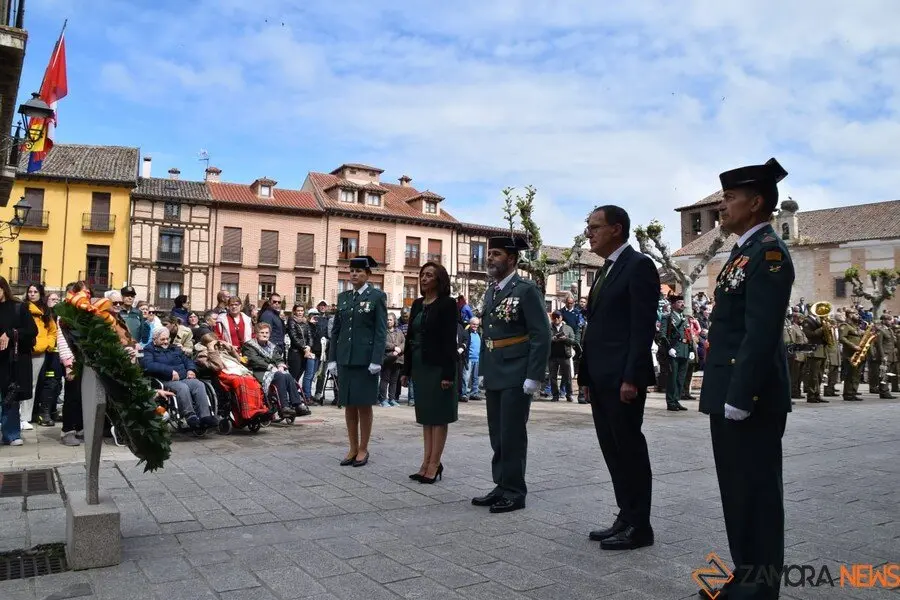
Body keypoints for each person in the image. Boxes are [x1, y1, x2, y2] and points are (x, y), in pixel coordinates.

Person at [699, 157, 794, 598]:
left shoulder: (769, 253)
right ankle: (745, 573)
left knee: (755, 492)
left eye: (731, 198)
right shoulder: (743, 250)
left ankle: (760, 587)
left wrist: (741, 393)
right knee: (736, 490)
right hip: (729, 389)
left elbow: (760, 331)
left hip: (748, 394)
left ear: (756, 203)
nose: (722, 205)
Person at [578, 205, 659, 551]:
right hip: (600, 378)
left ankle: (640, 526)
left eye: (595, 227)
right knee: (612, 450)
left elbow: (641, 328)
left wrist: (631, 377)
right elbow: (596, 328)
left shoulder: (638, 266)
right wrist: (585, 375)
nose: (589, 233)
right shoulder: (606, 270)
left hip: (622, 380)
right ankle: (625, 516)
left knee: (629, 450)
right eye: (588, 227)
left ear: (617, 229)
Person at [471, 236, 550, 514]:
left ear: (512, 259)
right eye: (489, 253)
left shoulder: (527, 289)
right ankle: (501, 484)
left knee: (512, 433)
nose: (489, 258)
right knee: (497, 433)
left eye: (496, 254)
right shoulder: (492, 290)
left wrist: (534, 375)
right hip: (495, 368)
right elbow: (488, 333)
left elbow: (541, 334)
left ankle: (515, 491)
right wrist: (483, 369)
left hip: (517, 371)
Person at [326, 256, 387, 467]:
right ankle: (352, 447)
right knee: (348, 404)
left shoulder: (377, 296)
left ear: (368, 275)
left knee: (363, 405)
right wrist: (331, 357)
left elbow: (380, 330)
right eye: (351, 271)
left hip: (365, 361)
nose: (354, 274)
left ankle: (363, 448)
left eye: (359, 271)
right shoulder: (343, 298)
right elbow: (336, 331)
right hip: (345, 358)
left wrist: (376, 359)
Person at [402, 262, 458, 483]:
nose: (424, 279)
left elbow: (449, 341)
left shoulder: (447, 304)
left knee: (439, 416)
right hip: (420, 365)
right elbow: (410, 339)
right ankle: (425, 462)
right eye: (422, 275)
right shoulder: (417, 304)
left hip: (439, 366)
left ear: (439, 280)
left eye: (429, 275)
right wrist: (406, 369)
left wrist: (447, 374)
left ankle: (435, 464)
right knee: (426, 417)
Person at [140, 327, 218, 429]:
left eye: (167, 339)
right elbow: (148, 365)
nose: (166, 342)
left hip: (183, 377)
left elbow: (188, 361)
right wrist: (169, 371)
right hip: (165, 380)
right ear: (154, 339)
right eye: (162, 339)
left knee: (199, 384)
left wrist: (191, 370)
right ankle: (190, 415)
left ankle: (205, 416)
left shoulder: (174, 348)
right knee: (182, 387)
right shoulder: (148, 350)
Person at [194, 333, 269, 427]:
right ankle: (248, 412)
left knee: (251, 380)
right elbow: (217, 367)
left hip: (235, 371)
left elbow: (240, 361)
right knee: (240, 381)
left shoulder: (222, 350)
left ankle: (258, 409)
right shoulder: (202, 355)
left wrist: (230, 349)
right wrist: (212, 350)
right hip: (221, 375)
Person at [0, 276, 38, 446]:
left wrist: (10, 333)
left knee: (10, 396)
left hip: (11, 361)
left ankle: (11, 433)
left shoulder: (18, 307)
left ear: (3, 289)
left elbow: (31, 331)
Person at [242, 322, 309, 418]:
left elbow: (278, 358)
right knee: (280, 375)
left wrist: (280, 365)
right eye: (262, 332)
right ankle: (284, 407)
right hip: (258, 371)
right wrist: (270, 367)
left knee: (287, 374)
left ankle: (297, 404)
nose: (265, 335)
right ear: (256, 334)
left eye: (267, 333)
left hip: (273, 371)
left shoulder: (271, 346)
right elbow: (254, 360)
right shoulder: (249, 345)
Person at [24, 283, 57, 429]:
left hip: (39, 351)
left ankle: (25, 417)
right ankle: (16, 416)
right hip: (24, 350)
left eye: (35, 291)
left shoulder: (46, 311)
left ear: (40, 293)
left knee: (32, 384)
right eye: (30, 291)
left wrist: (48, 344)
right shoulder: (22, 307)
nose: (32, 294)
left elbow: (52, 331)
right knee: (19, 383)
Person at [663, 296, 691, 411]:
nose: (682, 304)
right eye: (679, 302)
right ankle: (670, 402)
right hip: (674, 350)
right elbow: (663, 334)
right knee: (672, 378)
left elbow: (688, 335)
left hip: (684, 350)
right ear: (673, 304)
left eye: (683, 302)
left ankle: (676, 399)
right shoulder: (668, 317)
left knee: (681, 378)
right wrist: (669, 348)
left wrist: (691, 350)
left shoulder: (684, 318)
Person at [548, 311, 575, 402]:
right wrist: (553, 339)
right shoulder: (549, 328)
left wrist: (566, 339)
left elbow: (573, 341)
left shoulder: (568, 328)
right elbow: (545, 340)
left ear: (561, 318)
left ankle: (569, 394)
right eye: (554, 317)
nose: (556, 319)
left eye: (557, 317)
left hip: (565, 355)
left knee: (567, 376)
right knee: (553, 377)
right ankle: (555, 395)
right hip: (552, 356)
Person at [379, 313, 405, 407]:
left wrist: (399, 350)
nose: (389, 321)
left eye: (390, 320)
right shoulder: (383, 331)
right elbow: (382, 342)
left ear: (394, 321)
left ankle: (392, 399)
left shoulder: (399, 332)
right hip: (387, 359)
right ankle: (383, 399)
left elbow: (404, 342)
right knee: (385, 380)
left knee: (394, 381)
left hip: (397, 359)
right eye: (387, 319)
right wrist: (394, 347)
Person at [839, 312, 864, 401]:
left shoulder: (856, 326)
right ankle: (848, 394)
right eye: (856, 314)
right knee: (850, 374)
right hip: (850, 353)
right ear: (849, 315)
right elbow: (842, 338)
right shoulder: (845, 325)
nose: (858, 315)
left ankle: (853, 392)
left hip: (858, 354)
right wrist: (853, 346)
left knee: (856, 374)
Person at [460, 317, 481, 401]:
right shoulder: (466, 333)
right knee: (466, 377)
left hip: (477, 358)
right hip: (469, 359)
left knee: (476, 378)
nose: (475, 326)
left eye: (477, 324)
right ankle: (464, 394)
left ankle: (474, 393)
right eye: (474, 324)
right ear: (470, 324)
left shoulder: (478, 333)